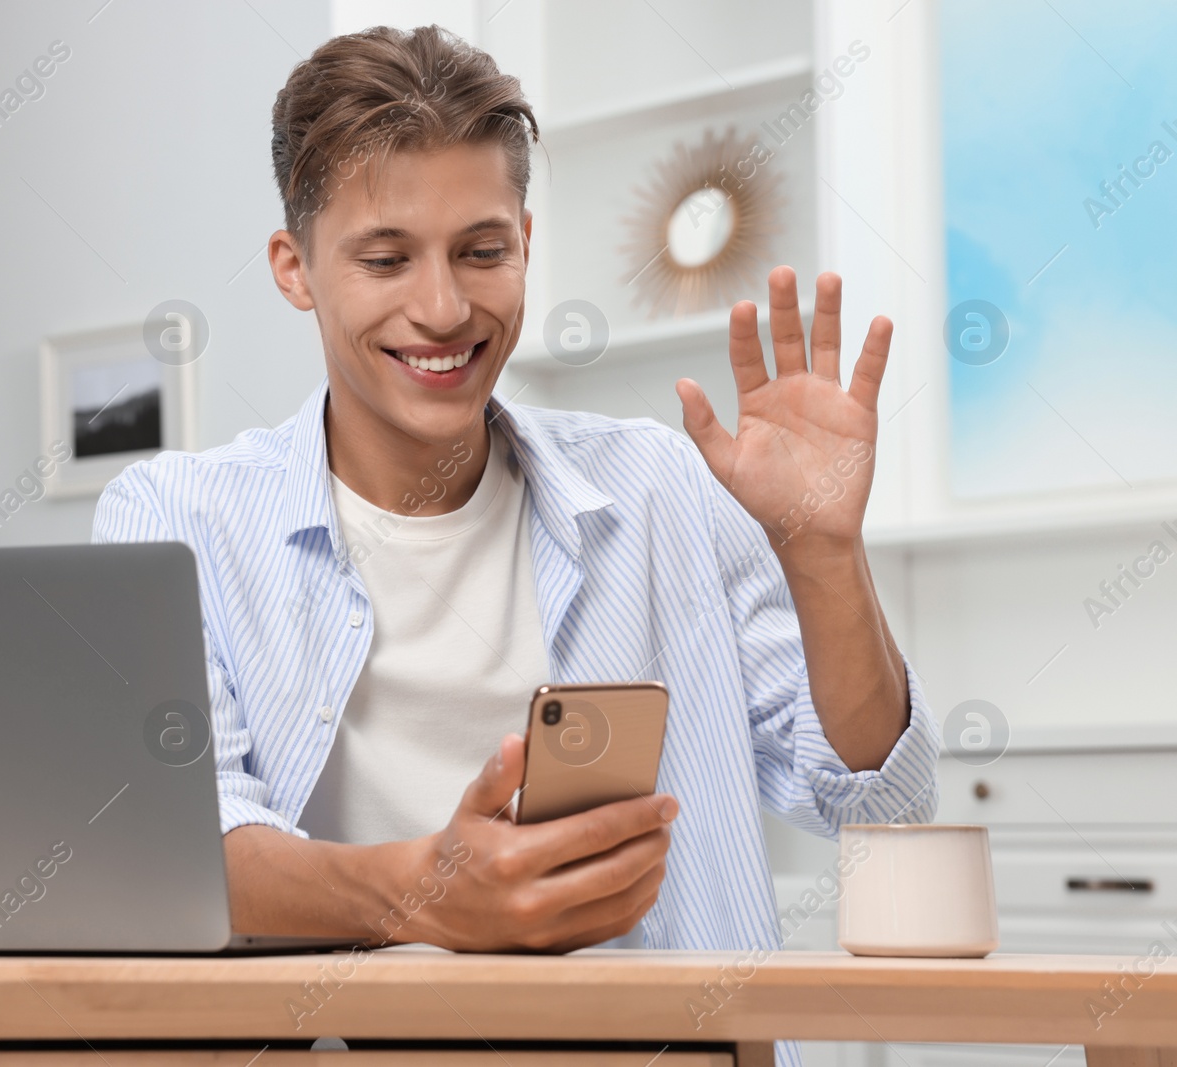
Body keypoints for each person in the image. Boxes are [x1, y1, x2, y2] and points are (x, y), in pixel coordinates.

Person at [92, 25, 938, 963]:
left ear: (526, 244)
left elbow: (878, 801)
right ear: (296, 268)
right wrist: (431, 894)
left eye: (481, 250)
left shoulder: (661, 489)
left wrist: (823, 559)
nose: (445, 308)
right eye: (385, 260)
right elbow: (183, 846)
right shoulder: (179, 518)